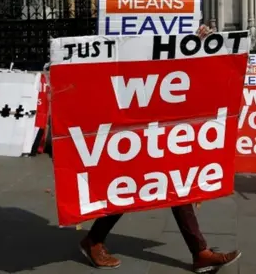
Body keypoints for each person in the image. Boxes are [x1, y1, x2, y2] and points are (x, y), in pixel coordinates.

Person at [79, 25, 241, 273]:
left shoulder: (171, 27)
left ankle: (200, 252)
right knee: (129, 185)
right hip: (135, 119)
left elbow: (178, 69)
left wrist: (195, 43)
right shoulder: (129, 26)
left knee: (174, 186)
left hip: (161, 121)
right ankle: (93, 240)